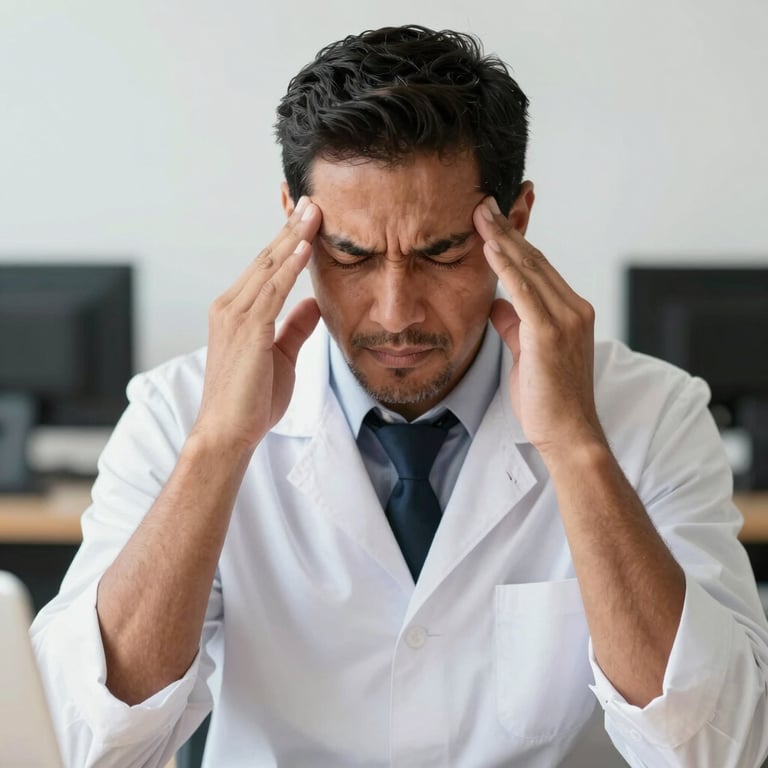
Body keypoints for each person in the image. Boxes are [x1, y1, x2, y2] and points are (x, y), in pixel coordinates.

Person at [31, 24, 768, 768]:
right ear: (295, 222)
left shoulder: (653, 414)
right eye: (349, 254)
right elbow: (88, 745)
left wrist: (576, 447)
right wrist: (219, 446)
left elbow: (719, 751)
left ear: (513, 224)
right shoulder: (177, 412)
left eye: (442, 252)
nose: (395, 312)